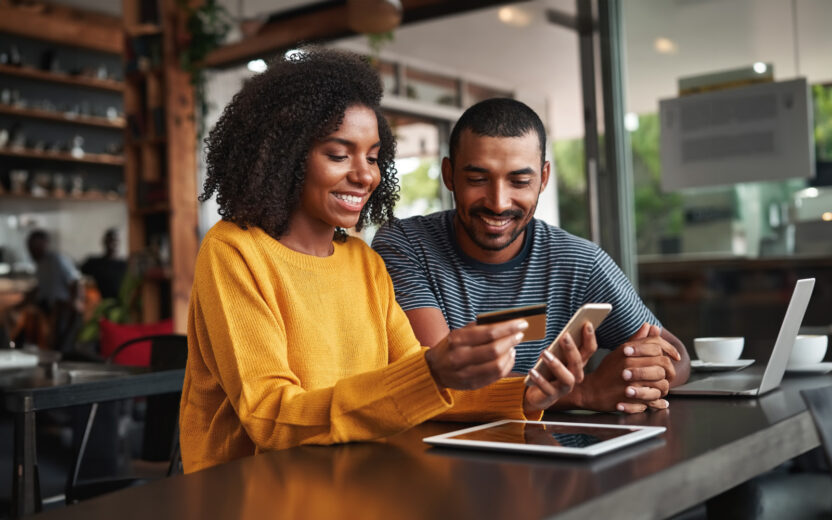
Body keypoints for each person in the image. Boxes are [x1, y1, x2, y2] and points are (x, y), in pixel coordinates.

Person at [178, 49, 594, 474]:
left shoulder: (363, 261)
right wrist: (431, 372)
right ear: (285, 157)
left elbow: (414, 384)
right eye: (339, 155)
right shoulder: (234, 251)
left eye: (373, 157)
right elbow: (271, 417)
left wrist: (523, 395)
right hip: (251, 492)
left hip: (355, 484)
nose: (365, 176)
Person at [372, 98, 691, 414]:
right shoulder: (405, 245)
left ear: (544, 179)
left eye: (520, 181)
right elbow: (439, 380)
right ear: (449, 174)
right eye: (477, 179)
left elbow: (677, 356)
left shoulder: (578, 262)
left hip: (553, 452)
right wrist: (585, 392)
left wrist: (637, 375)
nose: (498, 203)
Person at [14, 229, 84, 351]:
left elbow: (75, 280)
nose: (31, 250)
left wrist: (76, 301)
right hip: (47, 308)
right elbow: (41, 288)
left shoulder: (57, 259)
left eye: (34, 246)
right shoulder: (40, 264)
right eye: (29, 247)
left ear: (45, 243)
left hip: (62, 308)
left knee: (61, 346)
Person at [80, 228, 127, 300]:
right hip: (101, 304)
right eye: (109, 240)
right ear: (104, 242)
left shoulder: (125, 265)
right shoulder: (94, 263)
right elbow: (76, 274)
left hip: (121, 304)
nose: (112, 244)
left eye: (115, 240)